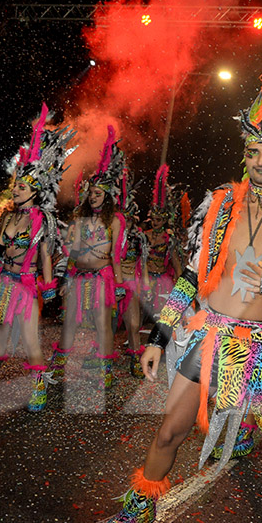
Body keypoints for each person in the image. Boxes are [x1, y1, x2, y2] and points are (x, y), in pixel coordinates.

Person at [101, 1, 262, 523]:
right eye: (252, 150)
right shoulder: (219, 205)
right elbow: (190, 275)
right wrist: (160, 337)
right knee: (168, 433)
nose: (259, 161)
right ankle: (137, 517)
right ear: (245, 152)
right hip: (209, 337)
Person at [0, 104, 71, 410]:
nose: (15, 191)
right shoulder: (9, 217)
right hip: (4, 281)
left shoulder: (42, 220)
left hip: (26, 285)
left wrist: (50, 286)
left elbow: (45, 254)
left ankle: (38, 387)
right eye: (15, 186)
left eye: (21, 187)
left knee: (29, 341)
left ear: (35, 190)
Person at [51, 127, 125, 388]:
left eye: (97, 193)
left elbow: (115, 256)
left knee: (102, 323)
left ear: (107, 197)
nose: (92, 196)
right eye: (91, 192)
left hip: (102, 277)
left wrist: (118, 286)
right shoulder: (79, 219)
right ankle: (58, 368)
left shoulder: (115, 220)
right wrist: (62, 280)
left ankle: (105, 369)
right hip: (78, 276)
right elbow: (71, 252)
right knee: (69, 321)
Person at [117, 167, 149, 378]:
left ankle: (135, 358)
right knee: (107, 324)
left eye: (129, 220)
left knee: (134, 323)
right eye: (122, 219)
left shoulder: (138, 238)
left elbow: (143, 261)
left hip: (131, 284)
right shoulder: (111, 236)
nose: (125, 223)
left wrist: (145, 283)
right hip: (113, 284)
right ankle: (102, 360)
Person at [144, 164, 182, 320]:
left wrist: (181, 291)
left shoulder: (169, 239)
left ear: (165, 220)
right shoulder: (144, 236)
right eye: (153, 219)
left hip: (161, 281)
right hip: (145, 279)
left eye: (158, 220)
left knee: (159, 319)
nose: (155, 222)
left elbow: (176, 265)